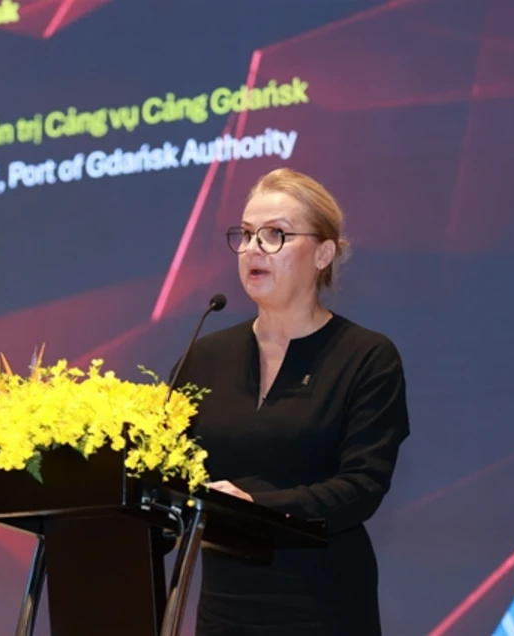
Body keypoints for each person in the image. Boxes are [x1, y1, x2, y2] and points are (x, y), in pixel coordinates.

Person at [171, 167, 411, 635]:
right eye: (245, 235)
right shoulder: (205, 356)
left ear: (323, 253)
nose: (253, 248)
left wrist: (252, 505)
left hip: (322, 605)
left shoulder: (366, 357)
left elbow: (362, 486)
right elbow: (163, 465)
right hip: (227, 607)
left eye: (275, 234)